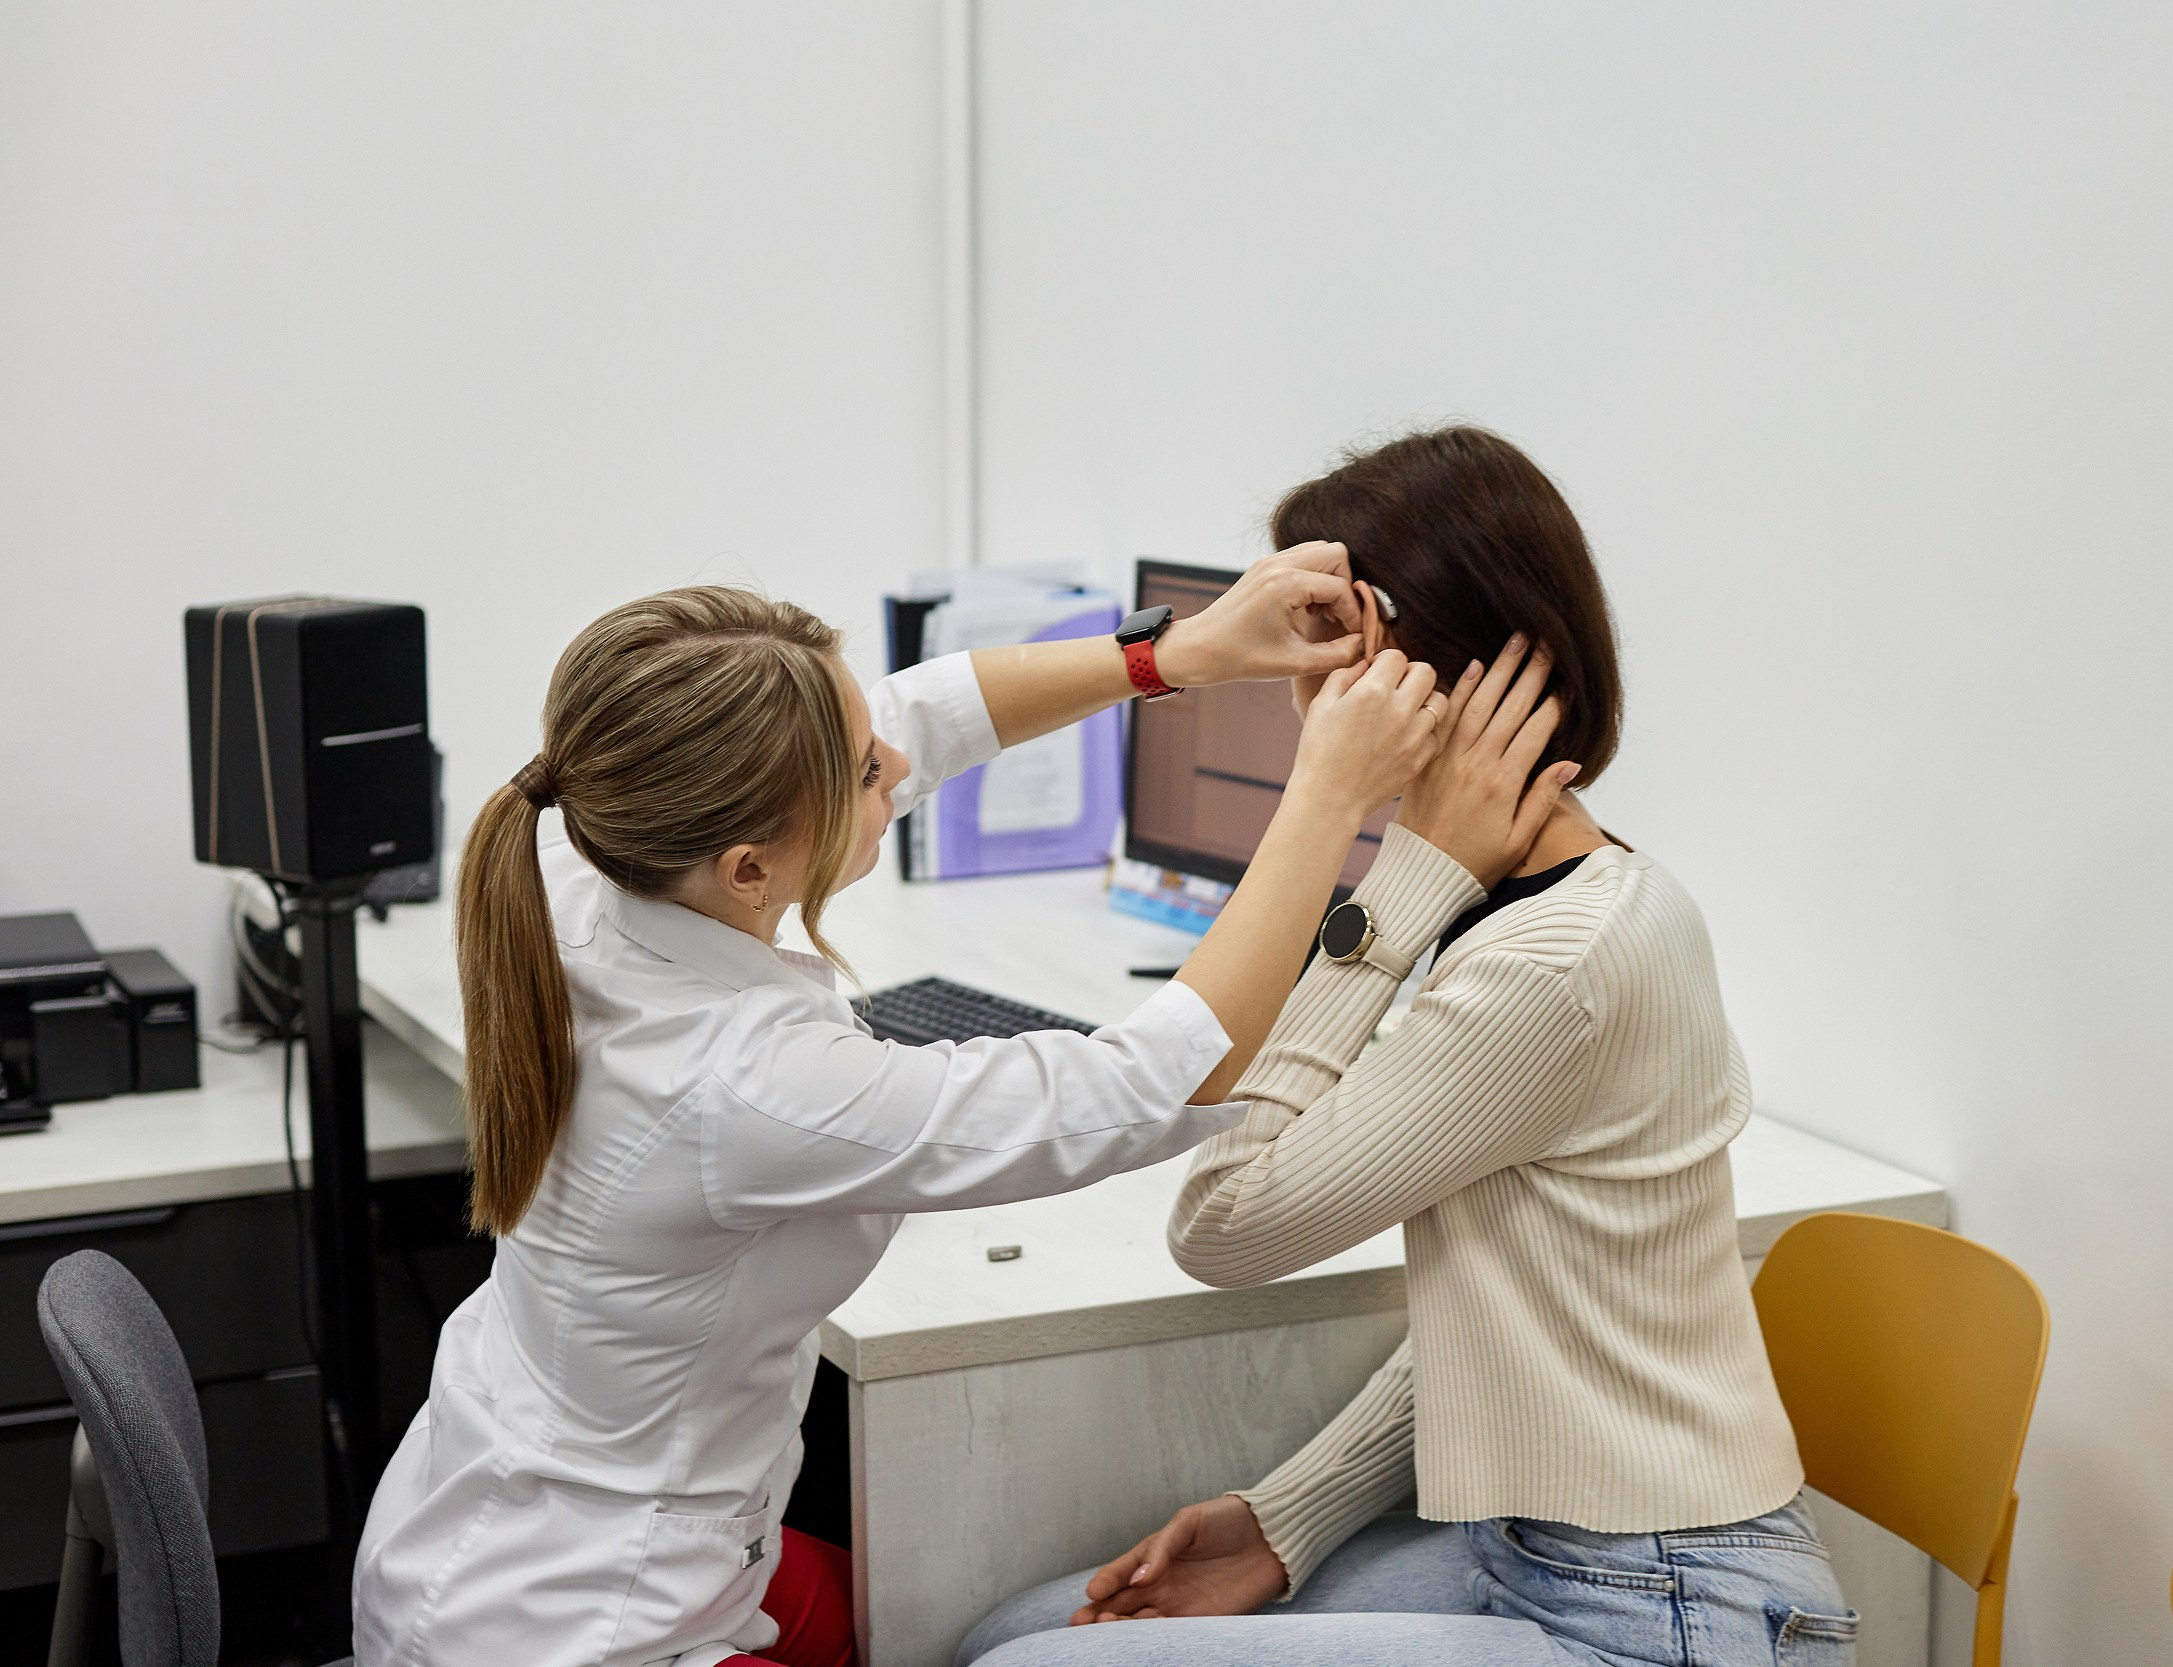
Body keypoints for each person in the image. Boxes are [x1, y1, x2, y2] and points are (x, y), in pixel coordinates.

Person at [350, 546, 1486, 1667]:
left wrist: (1180, 653)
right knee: (958, 1623)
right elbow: (1169, 1075)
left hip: (492, 1512)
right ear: (748, 869)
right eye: (859, 771)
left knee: (933, 1600)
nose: (893, 757)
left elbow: (917, 715)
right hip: (582, 1620)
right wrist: (1331, 793)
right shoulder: (742, 1080)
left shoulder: (590, 833)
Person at [958, 428, 1858, 1667]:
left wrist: (1390, 879)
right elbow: (1516, 1318)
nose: (1289, 690)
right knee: (1013, 1631)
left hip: (1663, 1610)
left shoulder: (1550, 959)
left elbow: (1224, 1225)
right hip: (1548, 1545)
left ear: (1416, 670)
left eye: (1317, 642)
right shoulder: (1538, 901)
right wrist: (1289, 1519)